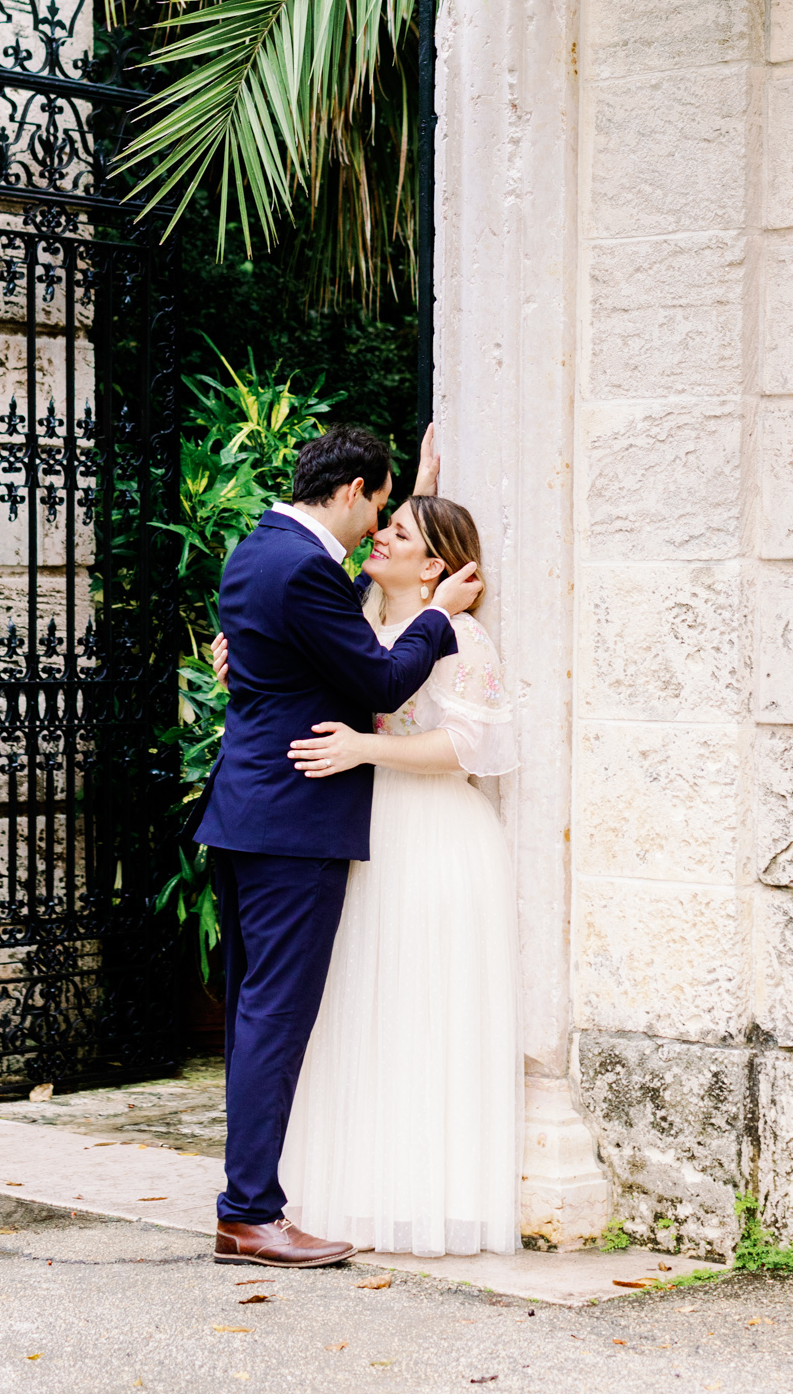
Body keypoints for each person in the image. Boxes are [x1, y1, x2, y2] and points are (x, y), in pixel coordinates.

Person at [195, 423, 482, 1270]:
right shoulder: (307, 571)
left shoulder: (258, 547)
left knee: (254, 1018)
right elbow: (383, 679)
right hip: (296, 822)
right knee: (275, 1021)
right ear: (354, 491)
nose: (380, 527)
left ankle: (248, 1203)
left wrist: (423, 484)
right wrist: (437, 615)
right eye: (383, 505)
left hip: (245, 811)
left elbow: (297, 642)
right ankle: (248, 1214)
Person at [279, 489, 521, 1256]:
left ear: (436, 565)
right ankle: (351, 1195)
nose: (379, 536)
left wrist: (365, 749)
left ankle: (426, 1199)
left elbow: (470, 749)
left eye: (400, 532)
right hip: (360, 832)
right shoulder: (358, 625)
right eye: (383, 523)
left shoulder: (462, 636)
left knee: (422, 1014)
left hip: (436, 838)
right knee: (357, 1011)